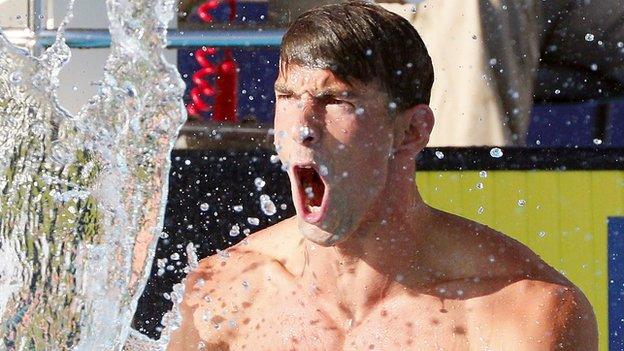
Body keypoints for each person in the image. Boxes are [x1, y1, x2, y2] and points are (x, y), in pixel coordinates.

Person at [168, 2, 597, 349]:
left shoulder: (520, 316)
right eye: (287, 97)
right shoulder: (222, 297)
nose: (302, 126)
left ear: (412, 132)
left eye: (335, 100)